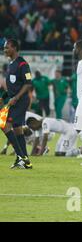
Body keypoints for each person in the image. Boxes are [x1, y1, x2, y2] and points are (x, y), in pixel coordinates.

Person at [0, 39, 33, 169]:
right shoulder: (11, 64)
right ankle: (26, 161)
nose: (5, 50)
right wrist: (4, 97)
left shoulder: (22, 64)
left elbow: (28, 83)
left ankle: (20, 157)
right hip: (13, 100)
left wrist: (17, 97)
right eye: (4, 47)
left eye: (7, 47)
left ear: (14, 48)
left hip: (20, 101)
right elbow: (12, 87)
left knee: (4, 124)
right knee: (18, 129)